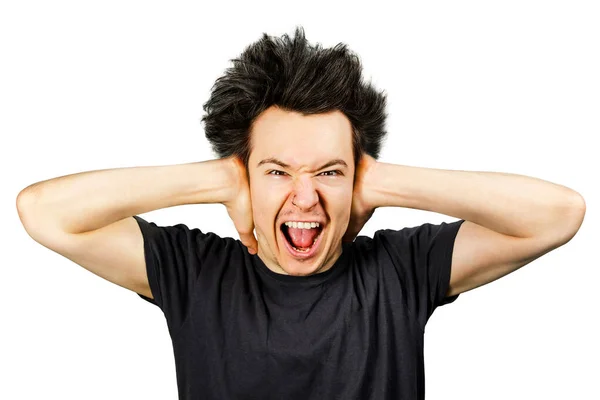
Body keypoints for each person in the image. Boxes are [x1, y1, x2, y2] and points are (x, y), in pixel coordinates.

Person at [16, 26, 586, 400]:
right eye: (278, 171)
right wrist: (219, 177)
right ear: (246, 177)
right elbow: (43, 212)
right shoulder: (193, 270)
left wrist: (379, 180)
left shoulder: (402, 268)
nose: (305, 197)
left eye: (329, 172)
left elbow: (559, 215)